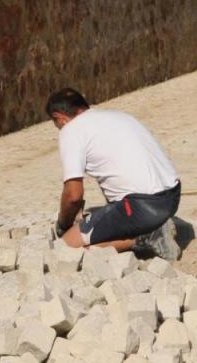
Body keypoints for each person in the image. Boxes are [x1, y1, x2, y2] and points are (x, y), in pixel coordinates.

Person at [46, 88, 181, 260]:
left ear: (59, 117)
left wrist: (63, 224)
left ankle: (147, 237)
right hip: (171, 198)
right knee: (108, 218)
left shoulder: (71, 130)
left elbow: (74, 196)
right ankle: (152, 226)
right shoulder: (118, 116)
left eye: (56, 123)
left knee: (65, 249)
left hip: (142, 207)